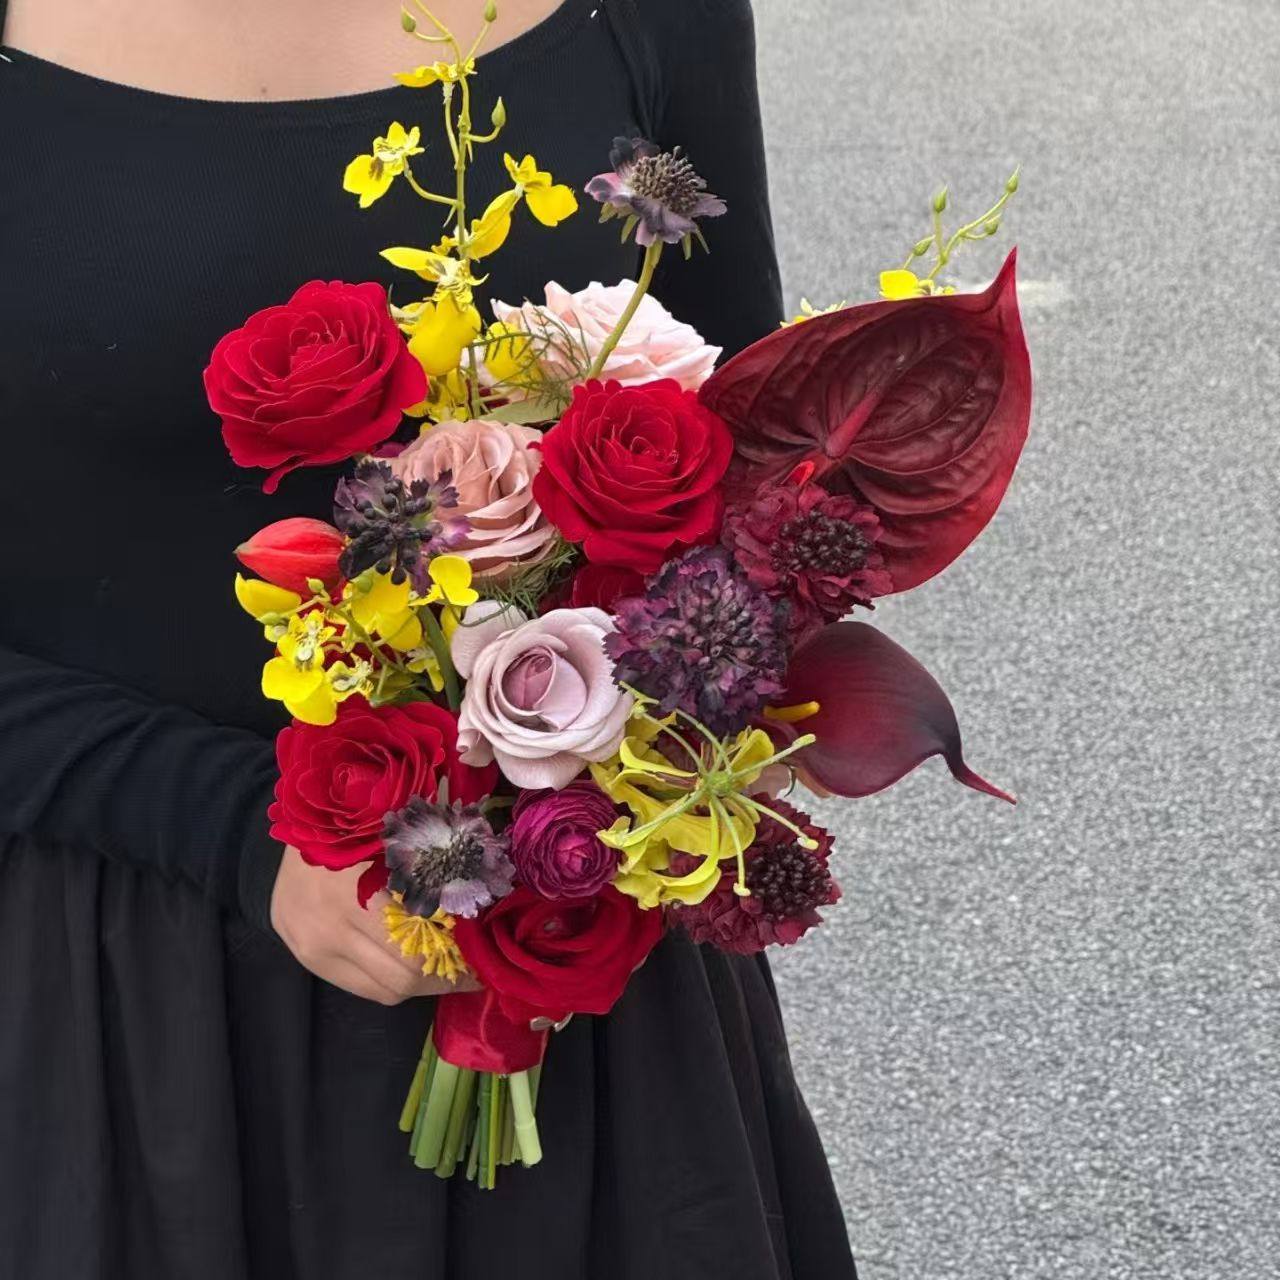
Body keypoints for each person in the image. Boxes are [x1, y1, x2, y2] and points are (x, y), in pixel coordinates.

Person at [0, 0, 857, 1275]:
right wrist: (228, 824)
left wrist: (627, 736)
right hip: (113, 1003)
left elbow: (744, 448)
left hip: (564, 974)